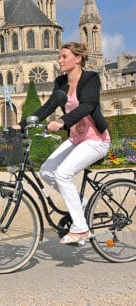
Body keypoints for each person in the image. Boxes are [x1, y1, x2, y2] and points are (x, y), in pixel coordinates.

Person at [16, 42, 109, 246]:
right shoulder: (60, 82)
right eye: (59, 56)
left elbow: (88, 105)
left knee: (63, 173)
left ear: (78, 59)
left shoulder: (91, 79)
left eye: (64, 56)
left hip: (96, 140)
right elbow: (48, 107)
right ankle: (81, 204)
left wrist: (63, 121)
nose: (59, 60)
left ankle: (81, 229)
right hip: (76, 139)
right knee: (47, 171)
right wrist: (21, 125)